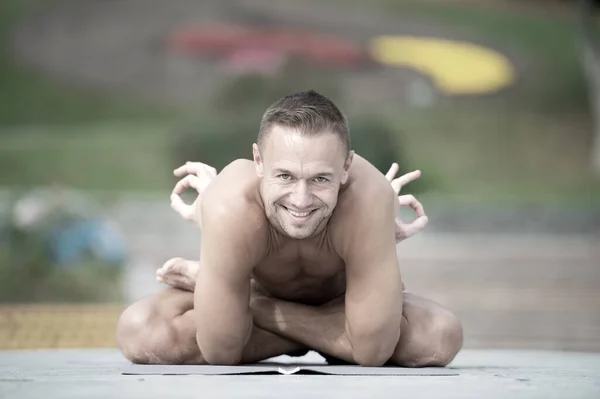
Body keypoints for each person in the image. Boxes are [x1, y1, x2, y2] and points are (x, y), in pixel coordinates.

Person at [116, 90, 463, 367]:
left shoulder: (370, 197)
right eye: (285, 176)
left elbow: (372, 353)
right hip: (337, 315)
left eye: (320, 179)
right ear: (258, 162)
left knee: (438, 337)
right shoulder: (229, 202)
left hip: (320, 302)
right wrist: (343, 335)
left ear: (346, 168)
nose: (301, 199)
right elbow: (221, 350)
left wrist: (249, 305)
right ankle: (335, 342)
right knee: (141, 330)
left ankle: (250, 305)